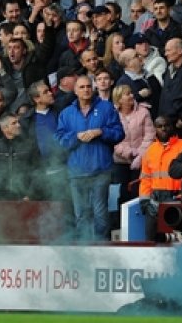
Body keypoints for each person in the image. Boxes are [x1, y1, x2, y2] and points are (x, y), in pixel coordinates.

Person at [56, 75, 125, 240]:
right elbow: (59, 139)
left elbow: (119, 133)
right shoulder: (66, 113)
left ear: (93, 88)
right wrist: (76, 137)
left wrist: (101, 132)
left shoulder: (106, 108)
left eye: (88, 86)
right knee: (80, 215)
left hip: (100, 170)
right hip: (77, 172)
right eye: (82, 87)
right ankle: (84, 250)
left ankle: (102, 249)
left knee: (100, 214)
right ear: (75, 90)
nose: (86, 90)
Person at [139, 117, 182, 240]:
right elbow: (145, 179)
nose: (163, 129)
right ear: (155, 128)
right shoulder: (150, 150)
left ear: (172, 126)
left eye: (166, 125)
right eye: (159, 126)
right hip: (154, 201)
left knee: (178, 240)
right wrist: (144, 202)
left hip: (176, 198)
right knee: (151, 240)